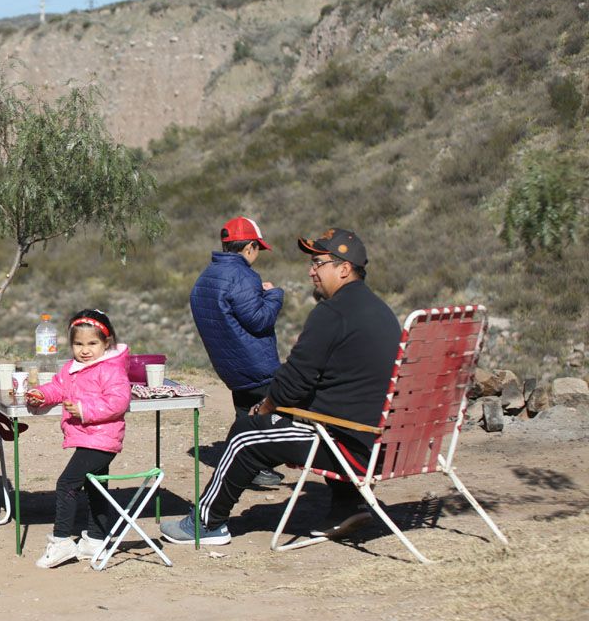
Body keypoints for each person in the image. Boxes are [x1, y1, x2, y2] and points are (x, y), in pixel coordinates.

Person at [161, 228, 400, 546]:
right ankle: (348, 505)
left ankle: (206, 523)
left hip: (346, 443)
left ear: (344, 268)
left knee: (246, 434)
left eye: (318, 263)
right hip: (381, 441)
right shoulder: (380, 311)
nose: (311, 270)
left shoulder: (331, 314)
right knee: (279, 420)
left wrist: (268, 406)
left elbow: (293, 382)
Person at [24, 309, 131, 569]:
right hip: (88, 438)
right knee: (97, 487)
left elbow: (118, 402)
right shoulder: (72, 369)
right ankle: (95, 539)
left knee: (66, 484)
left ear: (106, 343)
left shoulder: (111, 369)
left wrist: (84, 411)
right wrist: (40, 394)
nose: (85, 350)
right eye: (78, 344)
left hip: (101, 439)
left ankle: (61, 541)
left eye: (92, 343)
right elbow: (58, 387)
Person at [189, 216, 285, 488]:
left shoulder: (206, 276)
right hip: (256, 364)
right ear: (250, 247)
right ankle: (244, 465)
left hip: (229, 365)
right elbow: (260, 320)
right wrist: (274, 295)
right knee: (275, 415)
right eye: (258, 249)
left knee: (245, 413)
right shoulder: (243, 276)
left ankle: (249, 466)